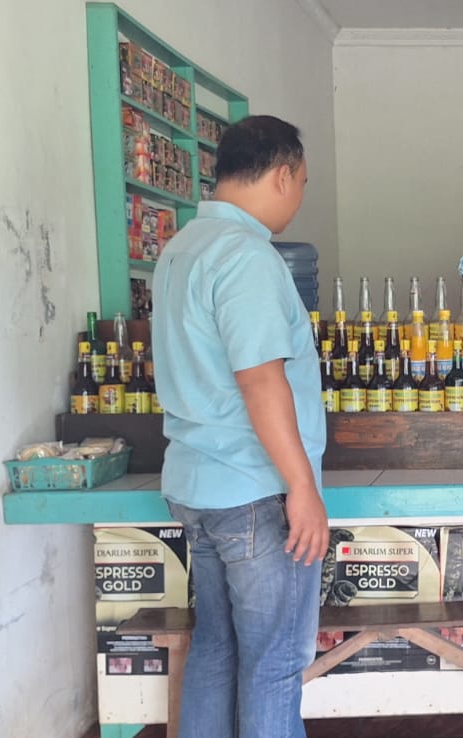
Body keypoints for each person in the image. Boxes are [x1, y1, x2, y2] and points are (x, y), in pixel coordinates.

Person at [152, 115, 329, 738]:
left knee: (216, 650)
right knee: (274, 663)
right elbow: (260, 381)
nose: (299, 195)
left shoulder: (181, 248)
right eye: (301, 182)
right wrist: (301, 486)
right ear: (281, 175)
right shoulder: (247, 256)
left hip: (198, 487)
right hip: (254, 492)